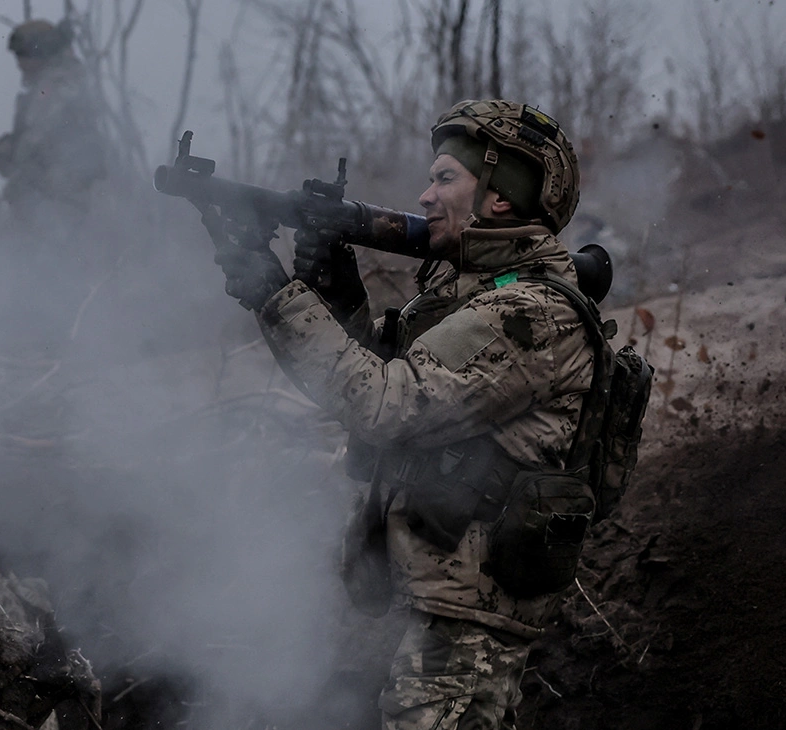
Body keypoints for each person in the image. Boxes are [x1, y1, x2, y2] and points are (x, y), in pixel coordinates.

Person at [206, 99, 593, 730]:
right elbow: (364, 378)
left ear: (500, 197)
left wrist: (274, 292)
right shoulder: (465, 299)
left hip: (470, 614)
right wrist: (335, 293)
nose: (426, 194)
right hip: (436, 594)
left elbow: (383, 403)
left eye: (446, 178)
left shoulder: (530, 315)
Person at [0, 19, 106, 218]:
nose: (19, 64)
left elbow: (35, 141)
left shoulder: (58, 84)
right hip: (53, 194)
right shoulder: (56, 82)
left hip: (62, 197)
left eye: (22, 54)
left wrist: (11, 152)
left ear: (39, 52)